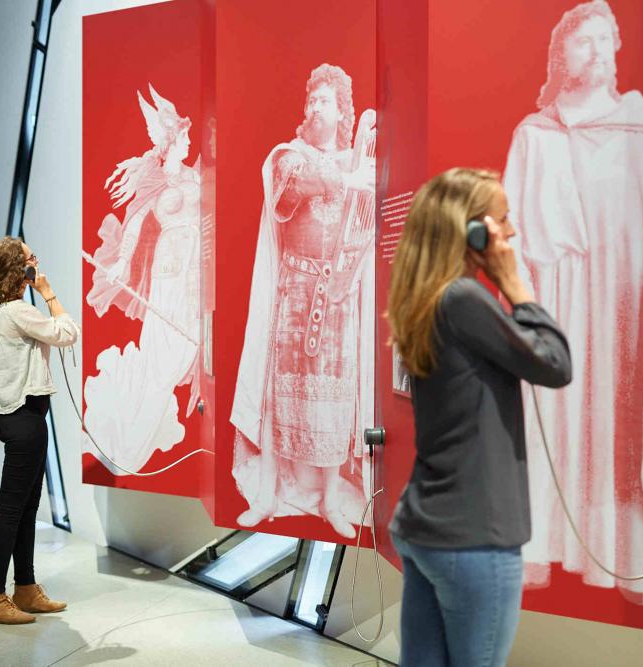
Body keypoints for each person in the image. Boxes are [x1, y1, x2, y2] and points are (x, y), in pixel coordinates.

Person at [502, 0, 643, 603]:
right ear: (560, 54)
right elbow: (508, 229)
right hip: (557, 303)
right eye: (582, 41)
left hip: (622, 305)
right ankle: (541, 547)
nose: (595, 53)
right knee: (552, 418)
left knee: (614, 422)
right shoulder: (534, 134)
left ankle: (617, 557)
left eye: (605, 40)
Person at [387, 168, 572, 666]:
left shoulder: (429, 298)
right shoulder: (465, 298)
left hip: (426, 525)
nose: (511, 231)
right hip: (471, 538)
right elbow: (555, 364)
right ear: (472, 232)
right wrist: (514, 285)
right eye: (503, 219)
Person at [230, 64, 376, 539]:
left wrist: (356, 174)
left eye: (325, 101)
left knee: (337, 401)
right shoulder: (288, 156)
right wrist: (344, 178)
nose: (315, 107)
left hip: (337, 296)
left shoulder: (359, 164)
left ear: (341, 111)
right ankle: (268, 495)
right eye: (311, 99)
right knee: (278, 398)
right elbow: (288, 192)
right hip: (294, 289)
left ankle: (333, 499)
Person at [83, 84, 201, 474]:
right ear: (169, 142)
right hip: (168, 272)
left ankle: (134, 438)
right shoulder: (157, 182)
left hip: (194, 272)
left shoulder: (193, 175)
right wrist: (121, 262)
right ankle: (129, 443)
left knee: (183, 352)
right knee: (161, 360)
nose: (189, 142)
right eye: (183, 137)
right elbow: (134, 224)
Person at [0, 237, 80, 625]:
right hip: (23, 421)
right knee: (11, 512)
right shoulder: (18, 310)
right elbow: (68, 332)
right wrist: (48, 292)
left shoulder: (7, 310)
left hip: (22, 418)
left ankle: (24, 588)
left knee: (25, 510)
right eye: (30, 257)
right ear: (20, 270)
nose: (36, 259)